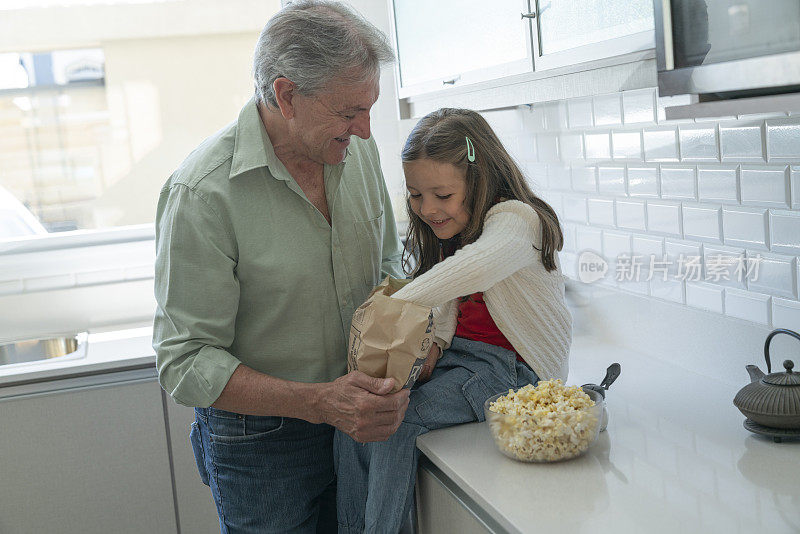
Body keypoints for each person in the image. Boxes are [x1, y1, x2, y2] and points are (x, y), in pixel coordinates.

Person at [152, 2, 412, 532]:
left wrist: (412, 344)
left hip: (359, 424)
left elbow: (388, 265)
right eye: (348, 112)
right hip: (260, 445)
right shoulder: (203, 193)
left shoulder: (354, 151)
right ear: (286, 94)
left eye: (369, 108)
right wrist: (319, 403)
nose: (364, 130)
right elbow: (184, 360)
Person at [334, 108, 573, 534]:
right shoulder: (459, 227)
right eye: (415, 195)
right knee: (357, 415)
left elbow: (471, 271)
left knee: (393, 420)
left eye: (441, 196)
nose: (427, 209)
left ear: (478, 182)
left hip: (514, 374)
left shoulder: (517, 220)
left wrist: (395, 305)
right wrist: (436, 344)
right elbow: (450, 302)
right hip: (464, 360)